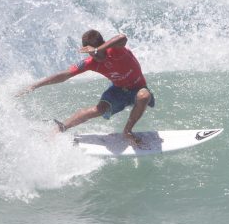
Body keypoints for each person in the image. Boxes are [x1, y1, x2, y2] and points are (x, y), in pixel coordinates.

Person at [17, 30, 155, 145]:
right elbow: (65, 75)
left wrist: (97, 50)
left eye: (97, 52)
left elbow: (122, 37)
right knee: (98, 109)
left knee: (144, 96)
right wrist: (35, 86)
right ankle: (61, 128)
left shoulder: (117, 50)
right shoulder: (90, 63)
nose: (95, 56)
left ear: (103, 45)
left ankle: (127, 131)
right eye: (91, 53)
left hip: (138, 88)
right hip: (118, 90)